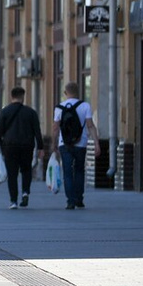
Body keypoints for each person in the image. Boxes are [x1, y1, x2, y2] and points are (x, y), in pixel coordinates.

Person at [0, 86, 44, 209]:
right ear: (23, 97)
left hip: (9, 146)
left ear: (11, 96)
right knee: (26, 170)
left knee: (12, 173)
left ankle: (13, 201)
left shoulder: (5, 112)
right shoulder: (31, 112)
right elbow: (37, 131)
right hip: (27, 146)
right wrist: (40, 148)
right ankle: (25, 192)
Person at [51, 81, 101, 210]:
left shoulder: (59, 107)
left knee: (67, 172)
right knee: (79, 170)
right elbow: (90, 125)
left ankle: (70, 201)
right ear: (78, 92)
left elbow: (55, 128)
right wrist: (96, 143)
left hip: (64, 144)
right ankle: (79, 199)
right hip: (81, 143)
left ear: (65, 93)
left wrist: (54, 144)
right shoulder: (85, 106)